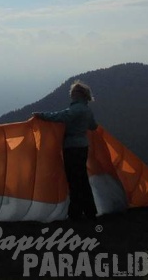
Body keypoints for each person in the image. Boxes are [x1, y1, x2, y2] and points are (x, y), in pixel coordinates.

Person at [33, 80, 98, 221]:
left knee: (74, 180)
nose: (71, 95)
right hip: (83, 146)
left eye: (73, 92)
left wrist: (41, 115)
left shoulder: (75, 110)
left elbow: (59, 116)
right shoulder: (87, 110)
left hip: (72, 147)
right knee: (82, 179)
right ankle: (89, 211)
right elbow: (93, 126)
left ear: (77, 94)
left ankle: (75, 213)